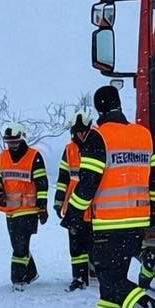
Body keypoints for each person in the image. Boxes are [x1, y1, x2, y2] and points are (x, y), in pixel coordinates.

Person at [62, 85, 155, 308]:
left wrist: (73, 214)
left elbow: (88, 182)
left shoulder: (98, 138)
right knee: (112, 281)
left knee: (112, 282)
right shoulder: (143, 135)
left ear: (99, 108)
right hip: (136, 223)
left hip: (109, 223)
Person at [0, 123, 49, 290]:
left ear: (22, 139)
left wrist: (42, 207)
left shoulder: (34, 156)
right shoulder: (2, 157)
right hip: (10, 210)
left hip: (29, 209)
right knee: (19, 245)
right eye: (9, 142)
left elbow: (42, 183)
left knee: (20, 245)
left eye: (15, 142)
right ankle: (31, 273)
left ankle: (17, 279)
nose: (12, 146)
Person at [53, 109, 95, 292]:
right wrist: (58, 201)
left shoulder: (97, 146)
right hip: (74, 204)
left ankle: (94, 272)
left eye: (82, 130)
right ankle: (78, 277)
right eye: (76, 131)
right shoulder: (69, 150)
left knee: (94, 243)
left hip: (94, 206)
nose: (79, 134)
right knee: (76, 244)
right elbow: (63, 178)